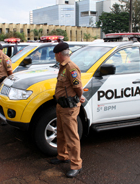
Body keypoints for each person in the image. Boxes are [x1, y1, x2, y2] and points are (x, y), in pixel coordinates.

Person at [50, 42, 85, 178]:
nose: (55, 57)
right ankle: (62, 156)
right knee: (61, 132)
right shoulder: (63, 66)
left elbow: (78, 87)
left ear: (59, 54)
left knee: (71, 136)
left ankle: (76, 165)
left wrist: (79, 97)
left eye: (55, 55)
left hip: (69, 107)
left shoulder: (71, 68)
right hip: (61, 106)